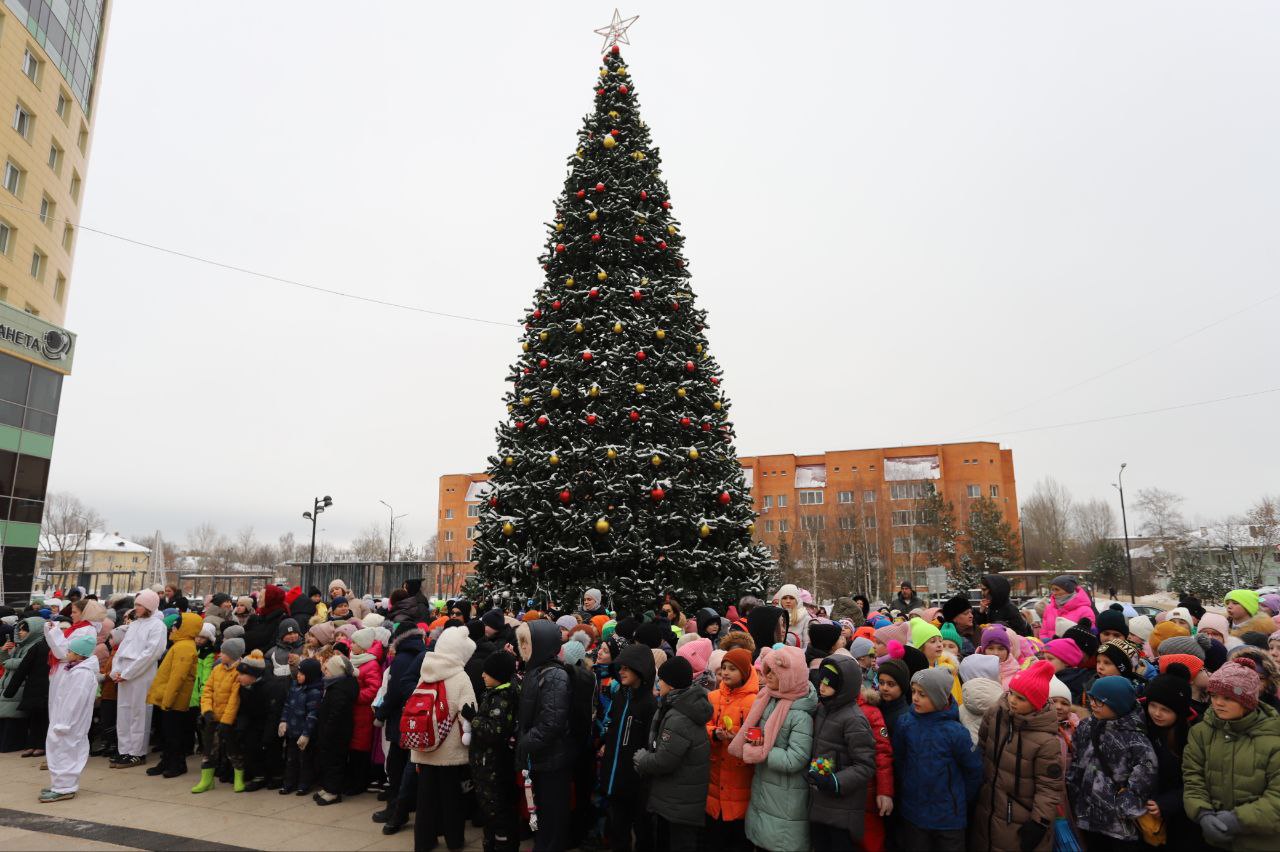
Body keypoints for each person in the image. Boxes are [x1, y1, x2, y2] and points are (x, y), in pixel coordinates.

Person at [1182, 658, 1280, 850]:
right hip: (1214, 839)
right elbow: (1193, 777)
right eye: (1214, 695)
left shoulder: (1273, 739)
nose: (1218, 703)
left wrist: (1238, 820)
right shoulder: (1201, 732)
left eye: (1228, 698)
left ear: (1248, 701)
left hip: (1261, 843)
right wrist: (1202, 813)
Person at [728, 645, 817, 852]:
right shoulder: (768, 698)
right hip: (765, 789)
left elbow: (796, 758)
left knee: (779, 844)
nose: (766, 676)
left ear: (789, 677)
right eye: (765, 670)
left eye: (772, 672)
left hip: (785, 799)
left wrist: (761, 751)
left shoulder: (800, 714)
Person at [971, 660, 1063, 852]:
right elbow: (982, 748)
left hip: (1019, 818)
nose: (1012, 700)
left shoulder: (1046, 741)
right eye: (1012, 693)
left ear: (1036, 703)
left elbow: (1049, 787)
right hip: (987, 806)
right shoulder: (996, 713)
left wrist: (1040, 823)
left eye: (1021, 699)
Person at [893, 667, 982, 851]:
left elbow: (974, 770)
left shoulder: (955, 732)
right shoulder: (905, 724)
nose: (915, 698)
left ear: (939, 698)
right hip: (914, 813)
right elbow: (900, 760)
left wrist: (958, 799)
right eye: (914, 692)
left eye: (923, 694)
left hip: (949, 818)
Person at [1066, 676, 1157, 850]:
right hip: (1086, 815)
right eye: (1092, 699)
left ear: (1118, 704)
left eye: (1100, 702)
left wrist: (1123, 809)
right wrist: (1074, 791)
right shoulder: (1086, 726)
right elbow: (1077, 760)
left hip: (1117, 826)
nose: (1093, 704)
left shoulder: (1135, 740)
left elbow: (1144, 779)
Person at [634, 656, 713, 851]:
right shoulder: (683, 706)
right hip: (679, 797)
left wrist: (642, 759)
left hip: (678, 801)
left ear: (670, 683)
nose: (658, 684)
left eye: (661, 679)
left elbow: (664, 760)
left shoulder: (679, 717)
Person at [411, 624, 476, 852]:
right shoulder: (461, 677)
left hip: (424, 747)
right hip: (450, 750)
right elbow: (468, 712)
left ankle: (424, 841)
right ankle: (454, 840)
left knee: (425, 799)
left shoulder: (426, 671)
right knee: (451, 799)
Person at [516, 619, 574, 852]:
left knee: (552, 813)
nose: (523, 648)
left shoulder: (554, 676)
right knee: (542, 811)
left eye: (526, 642)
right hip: (540, 757)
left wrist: (525, 742)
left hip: (551, 758)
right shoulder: (535, 669)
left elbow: (552, 722)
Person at [807, 657, 875, 852]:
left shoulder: (854, 719)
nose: (822, 687)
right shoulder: (822, 709)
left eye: (829, 683)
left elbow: (865, 764)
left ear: (844, 686)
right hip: (819, 800)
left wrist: (835, 781)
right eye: (821, 681)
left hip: (841, 806)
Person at [601, 643, 658, 852]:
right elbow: (613, 730)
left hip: (636, 782)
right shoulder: (620, 697)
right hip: (615, 778)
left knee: (643, 832)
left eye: (627, 667)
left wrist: (642, 778)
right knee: (618, 830)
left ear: (640, 670)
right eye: (620, 667)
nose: (621, 671)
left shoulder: (649, 704)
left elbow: (650, 745)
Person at [1140, 663, 1203, 851]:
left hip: (1178, 818)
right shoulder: (1140, 725)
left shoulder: (1191, 735)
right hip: (1141, 815)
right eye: (1153, 705)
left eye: (1166, 710)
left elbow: (1197, 779)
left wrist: (1168, 803)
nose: (1157, 713)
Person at [109, 589, 169, 768]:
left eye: (139, 605)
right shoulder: (135, 624)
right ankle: (125, 750)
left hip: (141, 674)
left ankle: (137, 752)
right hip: (125, 674)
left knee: (139, 712)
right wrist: (116, 670)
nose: (135, 608)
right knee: (124, 711)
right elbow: (121, 650)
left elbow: (151, 653)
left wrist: (128, 672)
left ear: (149, 606)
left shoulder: (158, 626)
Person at [466, 650, 520, 852]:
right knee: (492, 810)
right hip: (487, 763)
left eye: (487, 672)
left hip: (492, 765)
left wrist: (474, 718)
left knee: (496, 811)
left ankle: (501, 844)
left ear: (498, 674)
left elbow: (495, 732)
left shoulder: (502, 697)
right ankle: (493, 843)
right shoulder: (496, 693)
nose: (482, 675)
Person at [706, 648, 758, 852]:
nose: (726, 673)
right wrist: (714, 733)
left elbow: (757, 735)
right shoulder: (712, 697)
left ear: (744, 673)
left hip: (740, 778)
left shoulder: (755, 701)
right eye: (724, 668)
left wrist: (738, 736)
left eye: (732, 669)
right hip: (715, 777)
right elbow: (704, 726)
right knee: (714, 838)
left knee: (737, 839)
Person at [39, 634, 99, 803]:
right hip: (64, 719)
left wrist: (65, 723)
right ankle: (59, 784)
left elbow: (75, 701)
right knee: (59, 750)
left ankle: (64, 787)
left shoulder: (82, 674)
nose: (68, 653)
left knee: (65, 751)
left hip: (69, 722)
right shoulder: (75, 670)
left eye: (71, 651)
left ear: (79, 655)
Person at [145, 612, 201, 778]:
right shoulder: (180, 645)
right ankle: (167, 761)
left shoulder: (184, 647)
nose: (172, 629)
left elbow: (178, 677)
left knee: (174, 734)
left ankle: (177, 764)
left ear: (185, 628)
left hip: (173, 700)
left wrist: (168, 700)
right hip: (167, 698)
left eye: (176, 626)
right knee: (168, 733)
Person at [192, 637, 244, 793]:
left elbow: (235, 699)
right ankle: (206, 780)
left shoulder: (239, 672)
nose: (220, 655)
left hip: (228, 720)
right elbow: (207, 690)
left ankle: (238, 778)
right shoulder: (217, 669)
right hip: (212, 717)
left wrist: (226, 721)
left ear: (233, 654)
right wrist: (206, 710)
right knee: (209, 749)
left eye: (223, 652)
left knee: (233, 750)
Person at [0, 615, 49, 757]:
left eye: (24, 630)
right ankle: (31, 744)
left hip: (25, 687)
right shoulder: (21, 645)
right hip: (11, 684)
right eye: (20, 629)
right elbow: (7, 661)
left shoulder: (37, 645)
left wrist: (9, 662)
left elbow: (22, 664)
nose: (20, 632)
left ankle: (35, 745)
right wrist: (4, 651)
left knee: (25, 718)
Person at [313, 654, 357, 805]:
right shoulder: (334, 685)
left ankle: (333, 791)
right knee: (327, 759)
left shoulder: (341, 688)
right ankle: (327, 787)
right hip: (329, 730)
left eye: (329, 669)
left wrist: (327, 730)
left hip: (336, 732)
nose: (325, 671)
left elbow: (336, 714)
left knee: (334, 761)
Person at [279, 657, 323, 796]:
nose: (298, 675)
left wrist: (306, 734)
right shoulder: (295, 686)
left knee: (305, 760)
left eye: (302, 674)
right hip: (292, 731)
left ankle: (304, 784)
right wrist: (283, 721)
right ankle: (289, 783)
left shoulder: (314, 692)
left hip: (304, 734)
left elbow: (312, 715)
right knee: (291, 759)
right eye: (298, 673)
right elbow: (287, 705)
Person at [1039, 576, 1095, 641]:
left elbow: (1088, 637)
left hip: (1073, 650)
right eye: (1052, 589)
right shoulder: (1049, 608)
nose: (1054, 593)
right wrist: (1047, 642)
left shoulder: (1085, 611)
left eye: (1057, 589)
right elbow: (1043, 632)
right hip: (1050, 649)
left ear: (1069, 590)